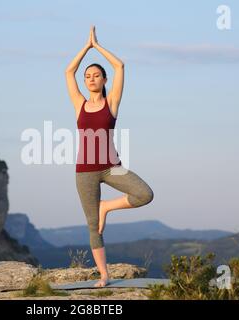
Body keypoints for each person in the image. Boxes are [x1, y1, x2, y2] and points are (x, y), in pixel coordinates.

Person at [65, 26, 155, 287]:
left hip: (111, 167)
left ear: (104, 80)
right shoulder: (79, 103)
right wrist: (85, 47)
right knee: (94, 227)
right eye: (88, 76)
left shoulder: (111, 102)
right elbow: (68, 71)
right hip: (85, 171)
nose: (91, 79)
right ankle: (104, 275)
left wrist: (98, 46)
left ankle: (107, 206)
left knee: (145, 194)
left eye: (96, 75)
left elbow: (121, 66)